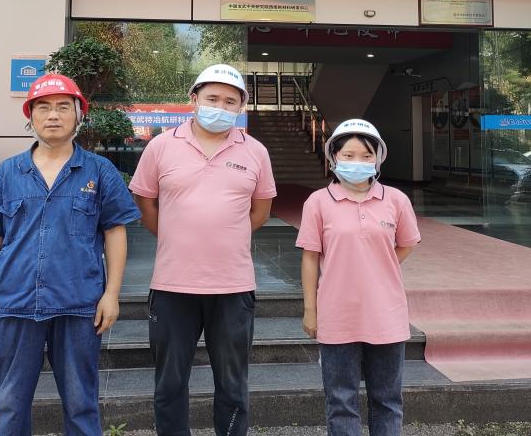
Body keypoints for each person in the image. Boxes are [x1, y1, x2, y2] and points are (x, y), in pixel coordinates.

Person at [0, 73, 141, 436]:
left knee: (81, 402)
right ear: (30, 116)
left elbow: (115, 232)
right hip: (15, 301)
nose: (54, 115)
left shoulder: (99, 171)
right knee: (9, 402)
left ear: (79, 115)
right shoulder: (8, 172)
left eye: (63, 107)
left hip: (79, 303)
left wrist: (112, 294)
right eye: (43, 107)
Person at [129, 63, 277, 436]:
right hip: (172, 285)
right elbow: (145, 203)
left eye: (230, 101)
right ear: (193, 99)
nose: (220, 107)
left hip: (233, 287)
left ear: (240, 107)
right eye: (212, 98)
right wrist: (177, 234)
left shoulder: (255, 151)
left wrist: (224, 234)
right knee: (169, 383)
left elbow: (260, 211)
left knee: (233, 384)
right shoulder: (161, 146)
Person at [295, 119, 420, 436]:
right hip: (337, 314)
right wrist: (310, 309)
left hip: (386, 314)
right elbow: (310, 257)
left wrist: (378, 265)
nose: (357, 162)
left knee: (387, 400)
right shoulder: (318, 202)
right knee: (341, 402)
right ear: (334, 157)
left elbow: (406, 243)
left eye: (366, 156)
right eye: (348, 155)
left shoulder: (395, 200)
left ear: (378, 159)